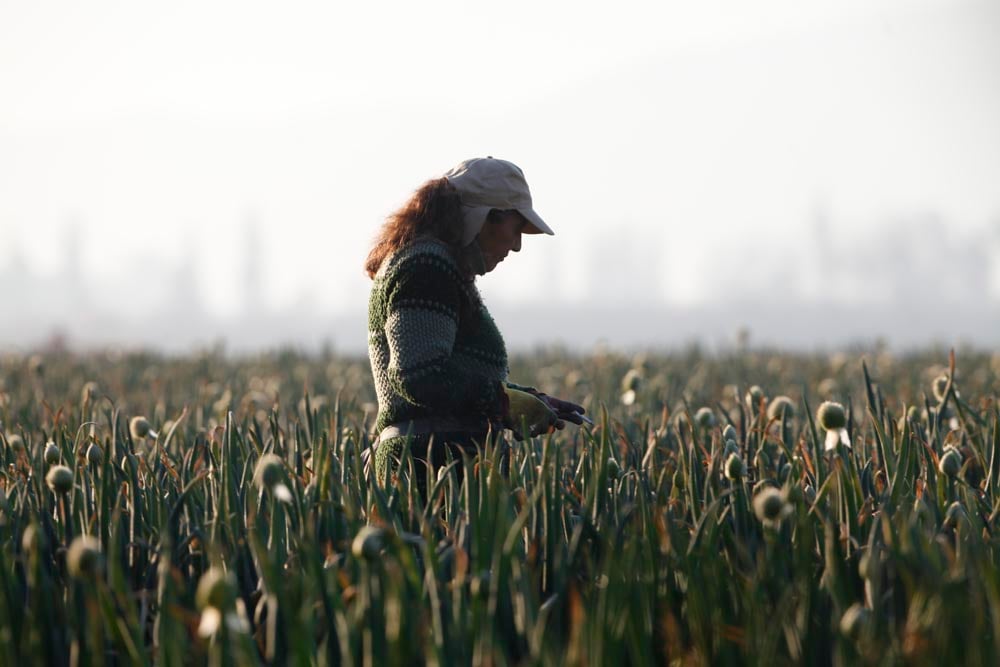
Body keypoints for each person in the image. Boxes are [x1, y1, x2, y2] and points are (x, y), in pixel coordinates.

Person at [364, 157, 587, 491]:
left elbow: (451, 373)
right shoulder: (426, 267)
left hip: (446, 466)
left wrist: (529, 400)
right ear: (482, 218)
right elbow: (419, 374)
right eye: (515, 229)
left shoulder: (436, 267)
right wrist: (503, 402)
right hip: (432, 471)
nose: (516, 245)